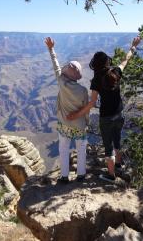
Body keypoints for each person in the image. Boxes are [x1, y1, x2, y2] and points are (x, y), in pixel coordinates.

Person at [67, 36, 141, 182]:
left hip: (106, 117)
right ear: (107, 61)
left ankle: (111, 175)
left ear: (95, 64)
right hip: (119, 114)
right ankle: (119, 164)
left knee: (108, 146)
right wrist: (133, 46)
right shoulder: (116, 71)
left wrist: (77, 114)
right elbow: (126, 60)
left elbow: (92, 103)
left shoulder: (96, 81)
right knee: (117, 139)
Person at [45, 37, 89, 183]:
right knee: (81, 150)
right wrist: (86, 122)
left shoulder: (61, 83)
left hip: (64, 124)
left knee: (63, 150)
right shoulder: (83, 90)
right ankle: (81, 175)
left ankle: (64, 177)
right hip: (79, 126)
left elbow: (56, 66)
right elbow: (85, 109)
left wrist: (51, 49)